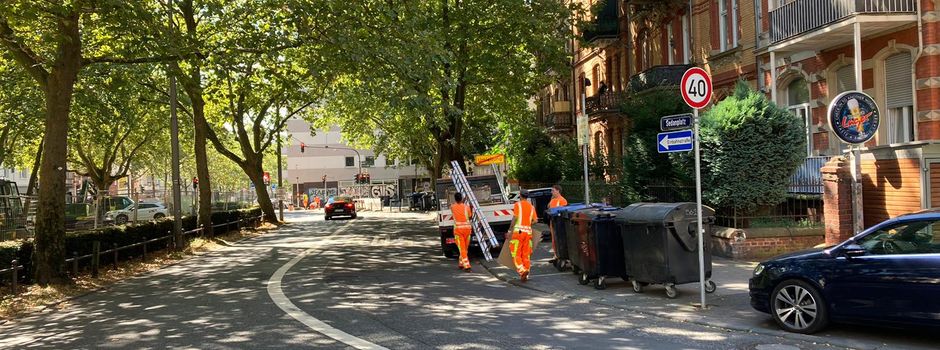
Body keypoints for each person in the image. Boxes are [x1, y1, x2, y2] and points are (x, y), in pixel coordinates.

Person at [507, 190, 537, 282]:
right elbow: (535, 221)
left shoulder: (518, 205)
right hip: (528, 233)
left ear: (520, 196)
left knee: (516, 253)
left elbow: (515, 218)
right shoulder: (532, 207)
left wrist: (509, 230)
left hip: (518, 232)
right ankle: (526, 273)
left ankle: (522, 270)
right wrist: (528, 224)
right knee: (526, 254)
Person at [450, 192, 473, 272]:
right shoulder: (467, 207)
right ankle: (461, 263)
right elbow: (470, 216)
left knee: (462, 249)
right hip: (467, 230)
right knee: (465, 248)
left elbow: (454, 209)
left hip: (458, 231)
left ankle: (467, 266)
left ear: (455, 199)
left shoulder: (452, 207)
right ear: (462, 198)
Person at [547, 185, 568, 264]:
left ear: (558, 191)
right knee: (554, 238)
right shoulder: (553, 200)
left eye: (553, 190)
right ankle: (556, 254)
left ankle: (560, 254)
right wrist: (551, 199)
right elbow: (549, 207)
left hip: (559, 223)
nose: (551, 192)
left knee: (559, 238)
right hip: (553, 221)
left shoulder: (563, 200)